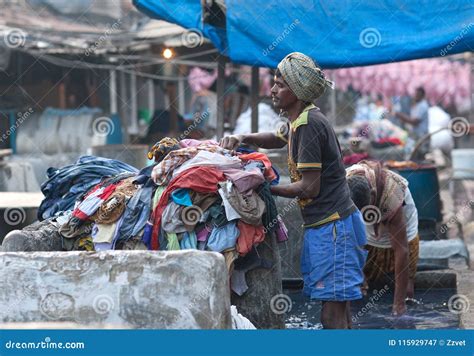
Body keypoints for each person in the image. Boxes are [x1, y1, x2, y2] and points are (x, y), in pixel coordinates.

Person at [220, 52, 367, 329]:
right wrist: (245, 138)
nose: (273, 90)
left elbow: (310, 187)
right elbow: (278, 138)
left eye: (280, 85)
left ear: (297, 91)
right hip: (331, 225)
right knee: (340, 310)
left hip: (333, 229)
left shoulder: (309, 125)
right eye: (274, 83)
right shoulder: (302, 119)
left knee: (332, 315)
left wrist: (265, 187)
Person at [346, 160, 419, 316]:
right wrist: (356, 271)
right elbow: (345, 234)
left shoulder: (392, 194)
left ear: (372, 195)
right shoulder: (342, 188)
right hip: (367, 231)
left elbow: (402, 250)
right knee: (358, 289)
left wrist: (398, 305)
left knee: (407, 293)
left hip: (401, 225)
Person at [392, 87, 429, 160]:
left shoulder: (423, 106)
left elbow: (414, 121)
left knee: (420, 156)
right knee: (415, 156)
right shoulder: (417, 105)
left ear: (421, 95)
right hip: (416, 135)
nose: (415, 96)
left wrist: (400, 115)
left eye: (417, 94)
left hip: (421, 135)